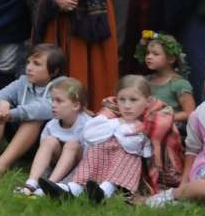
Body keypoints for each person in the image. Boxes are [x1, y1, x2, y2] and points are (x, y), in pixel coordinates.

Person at [40, 75, 152, 203]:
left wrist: (116, 126)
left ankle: (105, 191)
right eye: (122, 100)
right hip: (104, 161)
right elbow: (90, 136)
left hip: (127, 166)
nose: (127, 105)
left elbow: (132, 145)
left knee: (126, 154)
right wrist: (117, 123)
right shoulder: (113, 119)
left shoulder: (143, 125)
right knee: (97, 148)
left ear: (147, 102)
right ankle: (73, 188)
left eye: (133, 100)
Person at [0, 44, 66, 182]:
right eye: (28, 62)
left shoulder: (63, 86)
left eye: (37, 64)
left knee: (33, 118)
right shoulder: (22, 82)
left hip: (50, 147)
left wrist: (10, 114)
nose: (29, 67)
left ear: (54, 71)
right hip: (22, 142)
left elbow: (44, 108)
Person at [146, 56, 205, 207]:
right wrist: (183, 184)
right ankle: (174, 194)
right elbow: (192, 150)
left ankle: (194, 197)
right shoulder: (200, 115)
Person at [16, 77, 88, 197]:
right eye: (52, 100)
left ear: (75, 106)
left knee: (72, 144)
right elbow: (44, 155)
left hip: (78, 165)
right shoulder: (52, 124)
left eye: (59, 101)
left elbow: (88, 160)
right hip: (57, 163)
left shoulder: (87, 125)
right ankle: (31, 183)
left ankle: (50, 185)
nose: (53, 105)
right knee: (49, 141)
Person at [139, 31, 195, 128]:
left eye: (155, 54)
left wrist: (164, 117)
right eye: (148, 53)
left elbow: (190, 113)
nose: (149, 57)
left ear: (171, 59)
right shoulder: (146, 80)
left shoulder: (179, 84)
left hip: (169, 131)